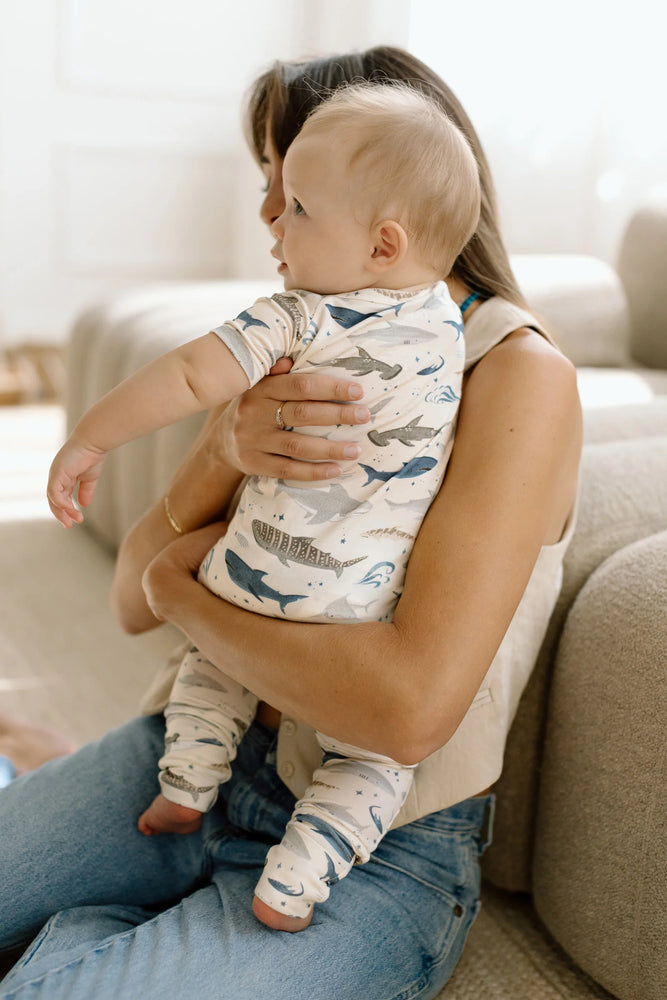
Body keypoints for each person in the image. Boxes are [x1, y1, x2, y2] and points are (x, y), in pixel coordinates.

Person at [0, 45, 581, 1000]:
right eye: (268, 183)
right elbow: (126, 606)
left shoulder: (516, 376)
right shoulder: (292, 336)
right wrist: (223, 449)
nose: (268, 217)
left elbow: (403, 710)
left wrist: (185, 591)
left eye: (290, 188)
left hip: (373, 845)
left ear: (385, 223)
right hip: (184, 764)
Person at [46, 82, 480, 932]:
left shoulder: (300, 319)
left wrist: (90, 438)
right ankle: (296, 881)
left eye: (299, 207)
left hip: (251, 575)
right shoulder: (445, 328)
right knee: (369, 768)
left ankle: (184, 786)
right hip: (359, 613)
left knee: (214, 664)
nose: (275, 222)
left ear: (381, 242)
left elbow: (183, 376)